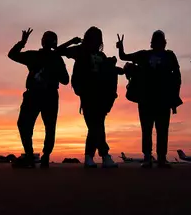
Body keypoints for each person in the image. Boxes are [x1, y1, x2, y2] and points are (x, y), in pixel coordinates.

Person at [7, 28, 76, 168]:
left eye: (47, 38)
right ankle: (31, 155)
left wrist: (52, 69)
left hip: (48, 95)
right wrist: (22, 42)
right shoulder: (35, 55)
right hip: (34, 94)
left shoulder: (55, 58)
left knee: (48, 126)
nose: (44, 40)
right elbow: (12, 55)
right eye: (45, 37)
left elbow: (65, 79)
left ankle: (44, 156)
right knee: (25, 124)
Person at [58, 27, 123, 168]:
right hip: (87, 94)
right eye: (93, 37)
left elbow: (108, 71)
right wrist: (71, 41)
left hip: (102, 96)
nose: (96, 41)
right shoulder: (80, 50)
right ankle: (104, 155)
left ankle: (90, 157)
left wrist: (119, 69)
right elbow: (59, 51)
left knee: (96, 126)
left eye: (97, 38)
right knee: (96, 125)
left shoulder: (102, 56)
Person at [117, 30, 181, 168]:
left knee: (161, 129)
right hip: (146, 98)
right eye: (157, 40)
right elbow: (123, 56)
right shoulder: (144, 54)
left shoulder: (169, 55)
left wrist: (174, 96)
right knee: (148, 129)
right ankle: (148, 157)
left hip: (163, 98)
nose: (159, 43)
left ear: (164, 42)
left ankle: (160, 158)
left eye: (160, 40)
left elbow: (177, 76)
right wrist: (120, 47)